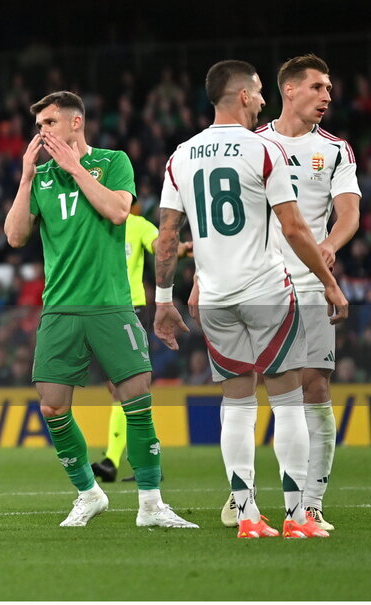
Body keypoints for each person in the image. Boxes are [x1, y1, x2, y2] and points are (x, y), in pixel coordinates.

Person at [153, 59, 347, 539]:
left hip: (215, 297)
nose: (262, 100)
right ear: (242, 95)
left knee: (236, 405)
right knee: (287, 400)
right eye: (258, 92)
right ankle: (299, 516)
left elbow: (166, 236)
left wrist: (163, 298)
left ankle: (246, 516)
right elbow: (295, 227)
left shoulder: (181, 156)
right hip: (265, 291)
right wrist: (328, 280)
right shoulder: (262, 150)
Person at [4, 91, 195, 529]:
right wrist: (26, 178)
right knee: (52, 407)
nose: (42, 133)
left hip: (111, 305)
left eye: (49, 123)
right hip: (60, 309)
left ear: (75, 123)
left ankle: (151, 505)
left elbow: (117, 211)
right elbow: (15, 236)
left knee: (137, 400)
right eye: (38, 127)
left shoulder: (113, 162)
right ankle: (89, 494)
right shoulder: (41, 178)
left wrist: (74, 167)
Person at [215, 54, 362, 532]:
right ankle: (245, 498)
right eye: (319, 87)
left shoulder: (336, 149)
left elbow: (349, 214)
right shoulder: (251, 143)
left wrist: (328, 246)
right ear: (290, 89)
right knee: (247, 390)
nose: (328, 96)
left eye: (330, 88)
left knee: (314, 387)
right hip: (257, 282)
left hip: (308, 283)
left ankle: (310, 502)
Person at [92, 206, 191, 482]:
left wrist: (180, 249)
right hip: (99, 311)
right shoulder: (94, 223)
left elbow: (159, 244)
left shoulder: (137, 225)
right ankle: (142, 459)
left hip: (129, 308)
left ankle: (114, 460)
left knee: (127, 386)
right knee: (121, 389)